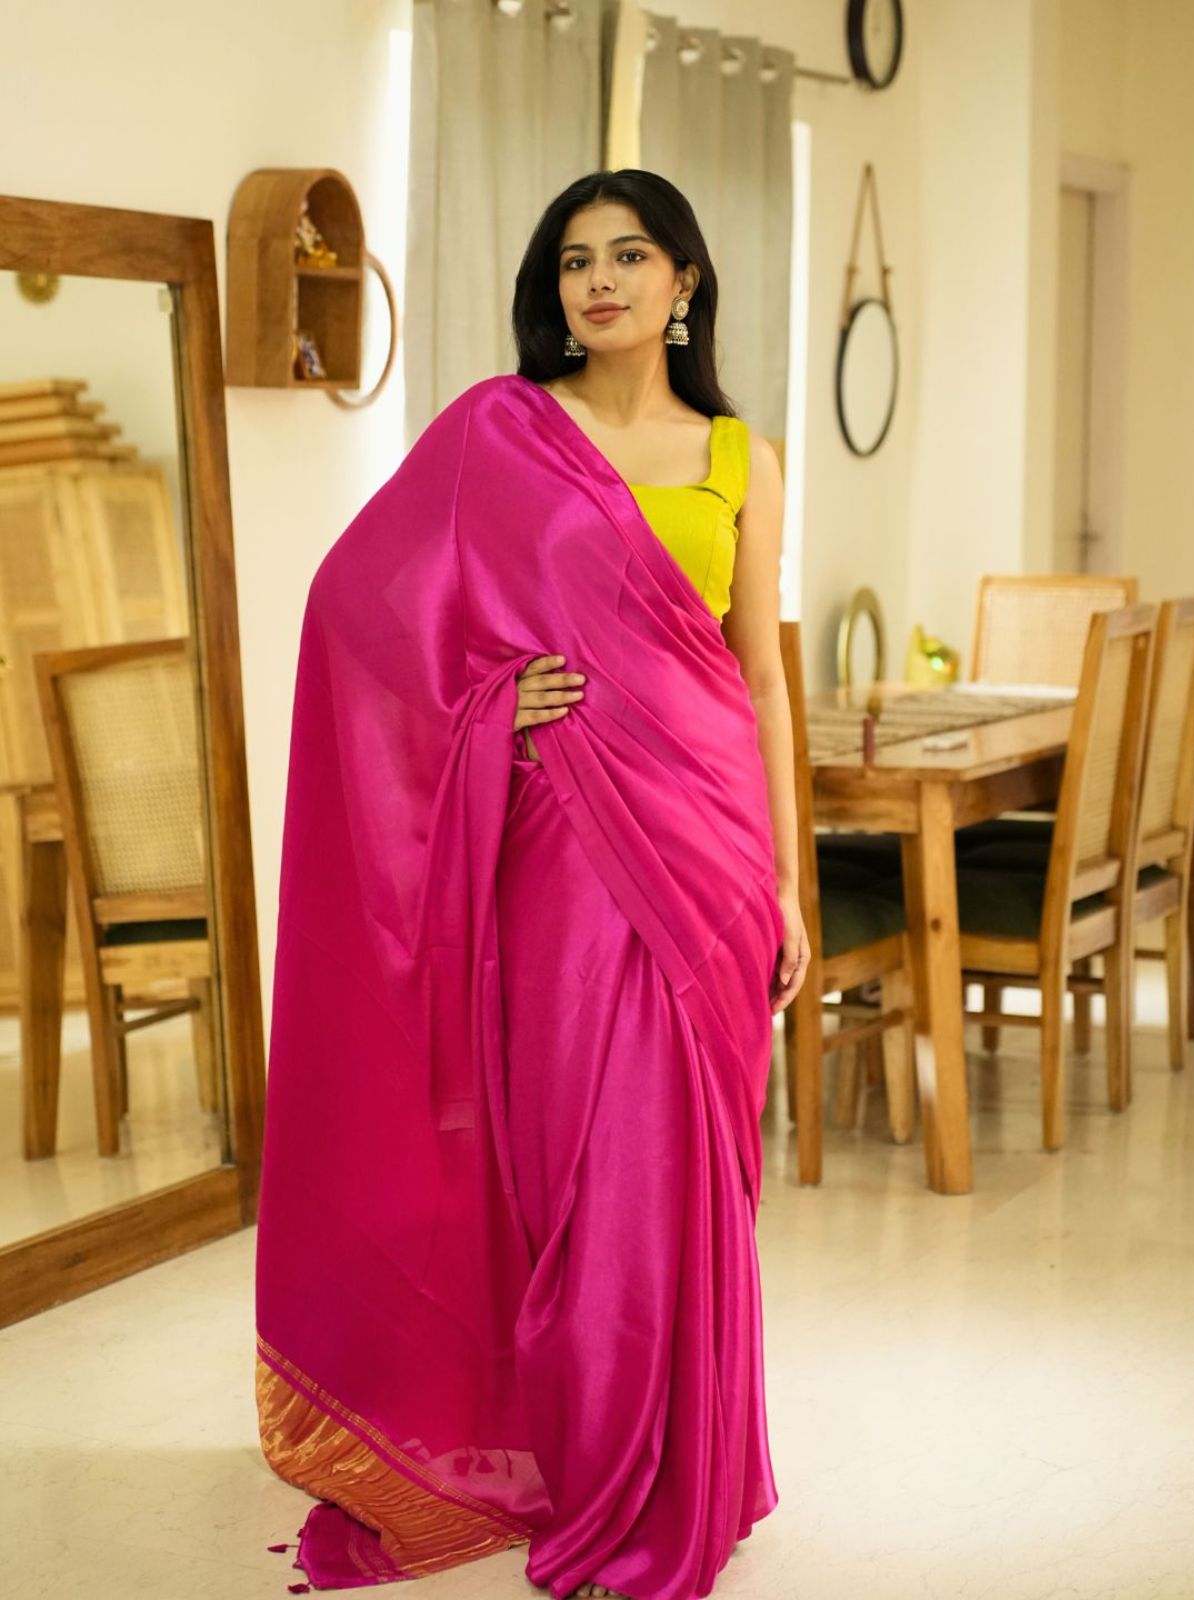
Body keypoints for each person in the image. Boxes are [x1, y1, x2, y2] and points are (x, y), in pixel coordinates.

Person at [255, 169, 809, 1600]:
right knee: (584, 1168)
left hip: (714, 848)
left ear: (685, 282)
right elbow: (359, 610)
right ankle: (587, 1457)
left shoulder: (742, 457)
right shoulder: (500, 432)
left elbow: (761, 675)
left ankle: (678, 1468)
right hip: (562, 848)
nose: (599, 280)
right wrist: (492, 704)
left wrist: (790, 883)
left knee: (691, 1175)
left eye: (629, 255)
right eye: (574, 260)